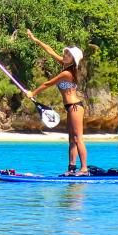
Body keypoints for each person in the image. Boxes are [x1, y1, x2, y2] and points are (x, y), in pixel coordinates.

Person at [25, 29, 88, 176]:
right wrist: (35, 39)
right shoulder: (64, 65)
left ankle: (84, 169)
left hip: (75, 107)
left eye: (69, 55)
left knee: (78, 138)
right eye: (66, 53)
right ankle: (72, 169)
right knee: (71, 139)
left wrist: (32, 93)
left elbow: (48, 83)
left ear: (73, 60)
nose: (65, 55)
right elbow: (50, 51)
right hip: (69, 107)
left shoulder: (67, 73)